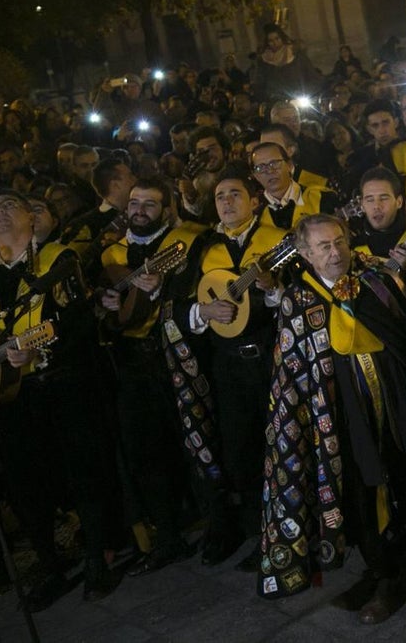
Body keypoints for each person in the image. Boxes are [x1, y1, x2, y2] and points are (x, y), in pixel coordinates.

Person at [259, 214, 406, 624]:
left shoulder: (375, 278)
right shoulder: (298, 299)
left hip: (398, 408)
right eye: (324, 247)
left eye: (339, 243)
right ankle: (382, 573)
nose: (335, 254)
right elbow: (291, 369)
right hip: (339, 419)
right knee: (361, 492)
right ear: (305, 254)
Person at [0, 189, 122, 607]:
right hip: (13, 398)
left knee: (81, 469)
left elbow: (78, 322)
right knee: (25, 483)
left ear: (32, 219)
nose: (0, 216)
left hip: (63, 385)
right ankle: (51, 566)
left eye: (10, 208)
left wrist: (41, 349)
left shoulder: (60, 260)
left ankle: (96, 560)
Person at [180, 168, 289, 566]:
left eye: (235, 194)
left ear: (254, 201)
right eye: (221, 195)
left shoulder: (277, 240)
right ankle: (253, 530)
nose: (227, 201)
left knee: (281, 443)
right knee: (240, 449)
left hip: (271, 359)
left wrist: (272, 289)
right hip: (226, 366)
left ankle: (288, 528)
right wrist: (203, 310)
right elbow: (180, 305)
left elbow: (296, 299)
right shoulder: (205, 247)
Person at [99, 178, 206, 575]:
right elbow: (108, 308)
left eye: (150, 203)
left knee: (193, 439)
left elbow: (202, 295)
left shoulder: (182, 242)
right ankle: (168, 535)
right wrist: (110, 303)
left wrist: (164, 287)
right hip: (131, 361)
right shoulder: (112, 251)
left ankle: (216, 523)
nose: (140, 209)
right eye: (135, 202)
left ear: (166, 209)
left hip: (176, 353)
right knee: (143, 449)